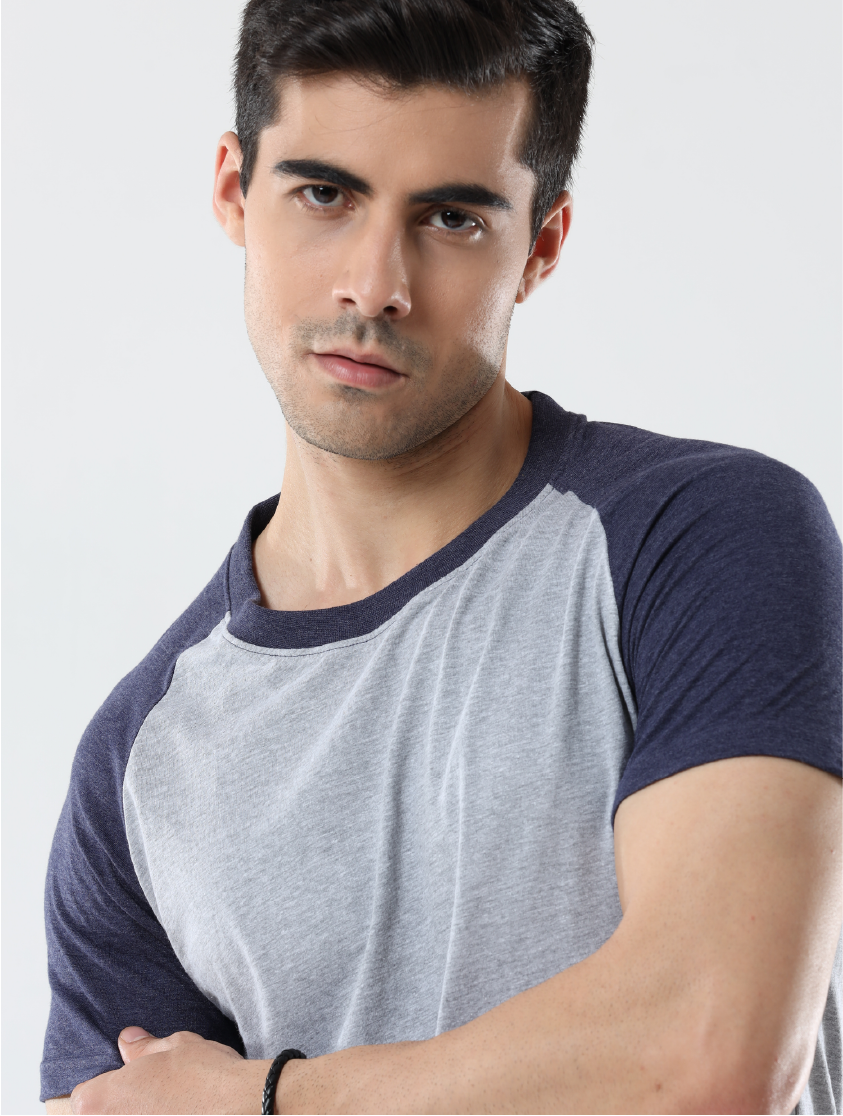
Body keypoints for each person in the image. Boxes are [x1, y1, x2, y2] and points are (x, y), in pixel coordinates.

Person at [41, 0, 842, 1112]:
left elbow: (710, 1056)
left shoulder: (698, 538)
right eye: (325, 194)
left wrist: (269, 1100)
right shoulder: (141, 759)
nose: (375, 286)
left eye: (452, 218)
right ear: (233, 188)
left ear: (542, 244)